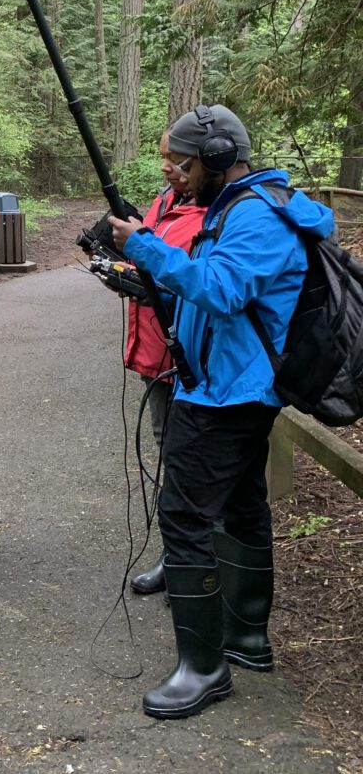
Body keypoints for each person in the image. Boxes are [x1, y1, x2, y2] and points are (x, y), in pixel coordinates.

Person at [109, 104, 333, 719]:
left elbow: (223, 288)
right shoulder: (239, 206)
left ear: (214, 159)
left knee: (183, 515)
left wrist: (148, 249)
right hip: (226, 384)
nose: (170, 174)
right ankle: (246, 638)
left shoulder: (257, 213)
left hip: (230, 394)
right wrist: (142, 275)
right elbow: (212, 290)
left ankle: (202, 669)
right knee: (239, 504)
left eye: (178, 163)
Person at [126, 131, 207, 596]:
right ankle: (175, 554)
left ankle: (189, 561)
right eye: (163, 159)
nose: (165, 168)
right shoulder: (165, 201)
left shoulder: (218, 210)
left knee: (188, 457)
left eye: (174, 160)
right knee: (167, 447)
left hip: (190, 356)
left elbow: (202, 282)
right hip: (156, 350)